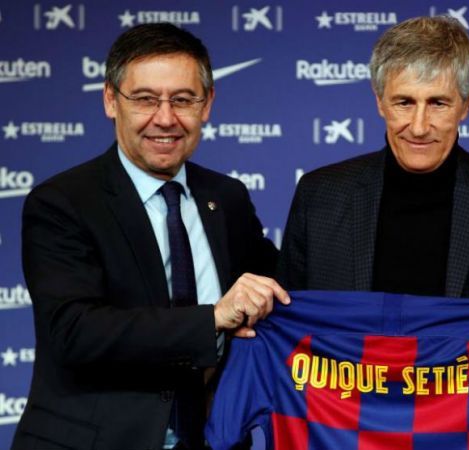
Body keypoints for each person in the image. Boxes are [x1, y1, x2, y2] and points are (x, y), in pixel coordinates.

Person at [12, 23, 289, 450]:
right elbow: (75, 332)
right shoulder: (61, 202)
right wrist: (212, 317)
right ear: (110, 100)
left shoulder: (226, 197)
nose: (165, 118)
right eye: (144, 99)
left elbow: (288, 289)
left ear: (207, 104)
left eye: (183, 100)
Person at [277, 16, 469, 301]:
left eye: (438, 103)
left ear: (466, 104)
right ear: (379, 101)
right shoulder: (319, 196)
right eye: (404, 102)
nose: (419, 127)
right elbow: (287, 329)